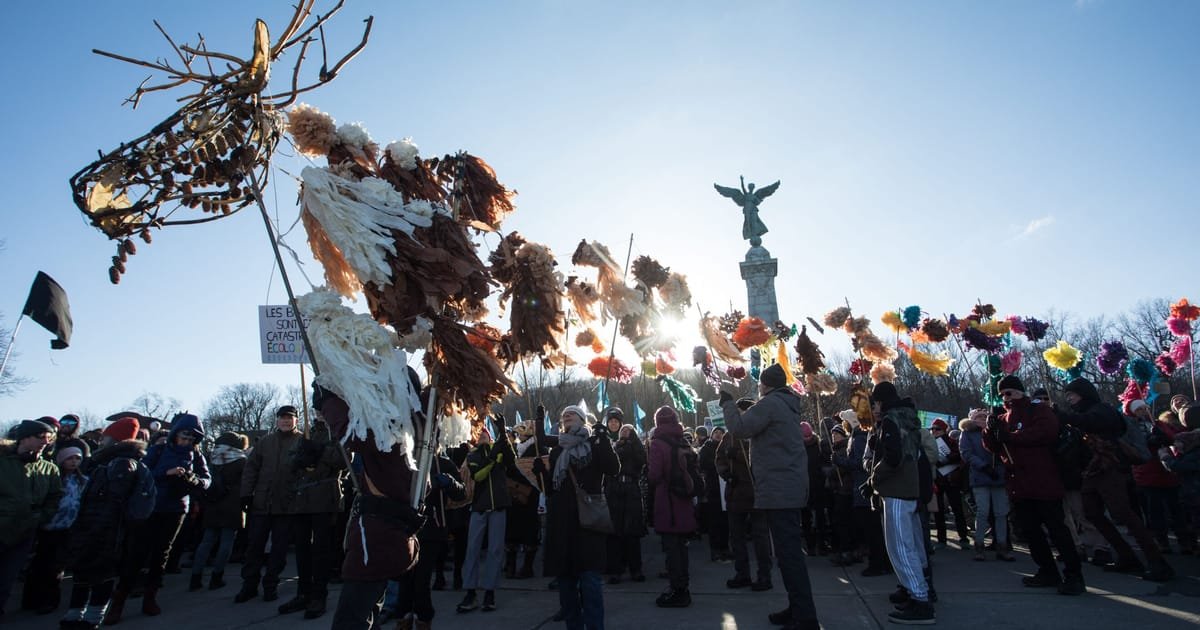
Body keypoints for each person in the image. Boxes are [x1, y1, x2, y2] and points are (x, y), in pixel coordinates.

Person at [720, 363, 821, 630]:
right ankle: (797, 607)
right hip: (786, 487)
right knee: (787, 555)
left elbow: (739, 428)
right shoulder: (786, 404)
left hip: (780, 489)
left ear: (765, 385)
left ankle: (805, 617)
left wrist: (728, 402)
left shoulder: (770, 404)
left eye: (760, 383)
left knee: (789, 556)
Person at [318, 381, 422, 630]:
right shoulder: (413, 428)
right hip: (388, 538)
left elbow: (351, 433)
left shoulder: (392, 433)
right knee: (368, 612)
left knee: (351, 620)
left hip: (376, 540)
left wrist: (329, 400)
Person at [1057, 377, 1173, 581]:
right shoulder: (1080, 414)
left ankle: (1156, 560)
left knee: (1123, 512)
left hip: (1110, 467)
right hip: (1092, 470)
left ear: (1084, 393)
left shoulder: (1102, 410)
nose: (1069, 398)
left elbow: (1091, 423)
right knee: (1091, 512)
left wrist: (1063, 416)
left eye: (1072, 394)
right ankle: (1126, 555)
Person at [984, 376, 1083, 594]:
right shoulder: (1004, 417)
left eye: (1010, 392)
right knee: (1030, 531)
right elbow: (994, 447)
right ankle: (1047, 570)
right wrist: (990, 430)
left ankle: (1074, 574)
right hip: (1019, 484)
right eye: (1003, 394)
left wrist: (1010, 436)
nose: (1006, 397)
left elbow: (1044, 433)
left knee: (1057, 529)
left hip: (1044, 481)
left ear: (1020, 392)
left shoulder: (1038, 410)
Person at [110, 413, 210, 622]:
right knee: (136, 553)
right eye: (184, 436)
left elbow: (207, 479)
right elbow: (144, 474)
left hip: (176, 509)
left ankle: (150, 597)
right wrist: (168, 473)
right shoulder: (159, 449)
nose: (187, 441)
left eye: (192, 438)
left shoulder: (196, 455)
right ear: (175, 433)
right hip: (151, 507)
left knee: (161, 555)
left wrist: (195, 481)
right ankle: (118, 601)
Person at [60, 417, 155, 630]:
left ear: (116, 439)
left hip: (106, 532)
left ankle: (91, 620)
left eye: (106, 437)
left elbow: (111, 504)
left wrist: (94, 530)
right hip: (97, 529)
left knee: (101, 577)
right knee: (85, 575)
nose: (101, 441)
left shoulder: (122, 464)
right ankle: (74, 617)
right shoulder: (106, 461)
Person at [862, 380, 935, 625]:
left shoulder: (892, 420)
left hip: (897, 490)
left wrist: (874, 477)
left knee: (900, 547)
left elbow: (894, 458)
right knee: (913, 544)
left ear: (881, 401)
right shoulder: (908, 417)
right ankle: (915, 588)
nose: (874, 408)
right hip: (910, 489)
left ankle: (920, 599)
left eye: (875, 403)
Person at [541, 405, 620, 629]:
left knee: (590, 584)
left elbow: (613, 468)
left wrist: (604, 440)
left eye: (572, 413)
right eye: (564, 414)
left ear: (582, 419)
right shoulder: (557, 450)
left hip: (587, 523)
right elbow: (552, 489)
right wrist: (542, 472)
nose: (566, 415)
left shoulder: (594, 445)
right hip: (562, 524)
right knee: (566, 588)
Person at [277, 418, 345, 620]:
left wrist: (320, 451)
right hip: (301, 499)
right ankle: (303, 592)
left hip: (324, 498)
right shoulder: (304, 434)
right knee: (302, 549)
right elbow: (288, 462)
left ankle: (319, 595)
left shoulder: (338, 431)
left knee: (321, 550)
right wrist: (300, 458)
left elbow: (342, 461)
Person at [236, 406, 304, 604]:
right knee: (254, 546)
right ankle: (249, 585)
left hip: (286, 505)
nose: (286, 421)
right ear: (277, 420)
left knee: (279, 549)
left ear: (296, 421)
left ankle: (270, 585)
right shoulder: (265, 442)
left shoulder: (302, 441)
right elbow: (251, 469)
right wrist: (246, 494)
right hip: (261, 503)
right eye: (283, 418)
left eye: (290, 418)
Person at [393, 449, 465, 630]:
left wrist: (450, 483)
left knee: (421, 583)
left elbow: (461, 493)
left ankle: (423, 620)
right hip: (405, 529)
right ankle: (403, 620)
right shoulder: (404, 459)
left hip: (431, 530)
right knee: (405, 582)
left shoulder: (442, 462)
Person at [0, 419, 61, 622]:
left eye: (49, 438)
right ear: (24, 438)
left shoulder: (49, 468)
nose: (46, 441)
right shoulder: (3, 462)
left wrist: (41, 516)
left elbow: (54, 497)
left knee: (6, 580)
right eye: (40, 437)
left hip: (25, 532)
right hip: (1, 526)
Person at [457, 416, 516, 614]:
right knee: (472, 550)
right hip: (480, 508)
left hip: (498, 507)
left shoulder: (498, 448)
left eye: (486, 432)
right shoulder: (472, 455)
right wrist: (492, 461)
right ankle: (470, 591)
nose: (483, 434)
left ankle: (490, 592)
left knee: (495, 550)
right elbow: (478, 476)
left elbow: (511, 458)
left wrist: (503, 434)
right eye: (480, 432)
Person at [716, 399, 774, 590]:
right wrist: (726, 473)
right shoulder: (729, 436)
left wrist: (738, 456)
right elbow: (720, 458)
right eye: (737, 412)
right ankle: (742, 573)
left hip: (757, 492)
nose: (740, 416)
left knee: (760, 537)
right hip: (735, 491)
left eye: (742, 412)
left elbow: (761, 458)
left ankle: (764, 575)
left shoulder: (759, 433)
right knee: (737, 538)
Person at [23, 445, 87, 615]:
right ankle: (31, 598)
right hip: (47, 526)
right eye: (70, 458)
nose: (74, 462)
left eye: (77, 458)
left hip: (68, 528)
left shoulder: (82, 480)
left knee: (57, 567)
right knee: (40, 563)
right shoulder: (53, 477)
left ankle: (50, 600)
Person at [1128, 399, 1195, 554]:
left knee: (1176, 509)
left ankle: (1184, 540)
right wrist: (1148, 442)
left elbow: (1174, 438)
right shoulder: (1132, 426)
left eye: (1145, 408)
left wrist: (1164, 437)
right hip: (1147, 473)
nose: (1144, 411)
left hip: (1167, 472)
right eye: (1139, 409)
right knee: (1156, 511)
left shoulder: (1159, 424)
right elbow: (1134, 446)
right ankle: (1162, 540)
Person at [648, 405, 699, 607]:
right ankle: (683, 587)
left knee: (672, 549)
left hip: (668, 502)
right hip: (684, 501)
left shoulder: (658, 443)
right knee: (682, 547)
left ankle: (678, 591)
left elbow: (654, 475)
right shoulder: (683, 439)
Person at [191, 432, 248, 591]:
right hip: (233, 505)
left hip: (213, 503)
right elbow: (247, 483)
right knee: (226, 542)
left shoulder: (212, 458)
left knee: (206, 541)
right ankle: (217, 577)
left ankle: (195, 577)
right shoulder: (241, 460)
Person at [958, 409, 1013, 562]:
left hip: (998, 477)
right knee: (982, 512)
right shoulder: (968, 434)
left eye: (984, 416)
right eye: (978, 417)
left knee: (1001, 512)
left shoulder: (995, 431)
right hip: (980, 477)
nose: (982, 419)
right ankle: (979, 545)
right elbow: (966, 453)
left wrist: (1000, 467)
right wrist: (984, 466)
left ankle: (1002, 546)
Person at [606, 422, 648, 584]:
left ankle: (635, 569)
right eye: (623, 429)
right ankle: (615, 569)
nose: (624, 431)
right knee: (615, 531)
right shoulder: (614, 446)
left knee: (632, 531)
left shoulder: (637, 447)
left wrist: (630, 445)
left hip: (631, 488)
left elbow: (641, 462)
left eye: (628, 430)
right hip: (615, 488)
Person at [929, 418, 969, 549]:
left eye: (937, 429)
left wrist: (946, 459)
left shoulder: (952, 441)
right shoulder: (929, 442)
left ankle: (963, 537)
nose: (934, 431)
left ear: (944, 429)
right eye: (932, 429)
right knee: (938, 511)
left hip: (951, 479)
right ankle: (941, 539)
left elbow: (960, 455)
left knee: (957, 509)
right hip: (937, 480)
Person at [698, 425, 730, 562]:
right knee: (715, 521)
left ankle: (725, 548)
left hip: (726, 486)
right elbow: (703, 464)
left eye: (720, 432)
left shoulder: (728, 447)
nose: (718, 434)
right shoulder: (706, 448)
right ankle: (716, 550)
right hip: (713, 488)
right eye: (715, 432)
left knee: (726, 521)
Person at [800, 422, 831, 557]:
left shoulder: (818, 445)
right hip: (807, 486)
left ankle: (818, 544)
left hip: (815, 485)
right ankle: (813, 545)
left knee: (816, 517)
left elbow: (825, 461)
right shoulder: (802, 446)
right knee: (809, 518)